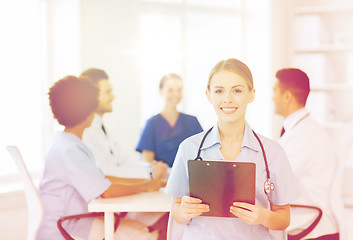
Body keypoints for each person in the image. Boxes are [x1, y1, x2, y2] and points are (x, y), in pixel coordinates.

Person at [165, 58, 300, 240]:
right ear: (208, 95)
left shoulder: (273, 152)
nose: (227, 99)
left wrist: (263, 216)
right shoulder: (189, 148)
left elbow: (283, 218)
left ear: (251, 94)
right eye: (219, 91)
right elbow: (176, 210)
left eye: (237, 90)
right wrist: (185, 211)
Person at [37, 76, 163, 240]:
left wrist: (149, 183)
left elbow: (104, 180)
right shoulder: (69, 149)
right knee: (154, 232)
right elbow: (107, 192)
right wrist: (146, 186)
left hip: (74, 221)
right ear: (89, 110)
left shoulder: (66, 142)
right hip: (69, 227)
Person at [80, 68, 169, 240]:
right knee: (167, 222)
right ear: (91, 96)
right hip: (103, 211)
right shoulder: (86, 133)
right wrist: (150, 174)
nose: (113, 96)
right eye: (108, 92)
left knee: (168, 217)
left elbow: (123, 161)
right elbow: (106, 172)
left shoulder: (100, 127)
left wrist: (150, 167)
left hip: (118, 205)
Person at [272, 68, 339, 239]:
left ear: (287, 96)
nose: (272, 98)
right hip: (313, 229)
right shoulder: (303, 130)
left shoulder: (303, 137)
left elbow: (275, 183)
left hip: (314, 232)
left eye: (275, 91)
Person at [136, 73, 203, 169]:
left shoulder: (192, 122)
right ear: (161, 91)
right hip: (162, 181)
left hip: (189, 179)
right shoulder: (152, 124)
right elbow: (148, 165)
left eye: (179, 90)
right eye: (170, 90)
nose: (175, 94)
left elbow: (203, 155)